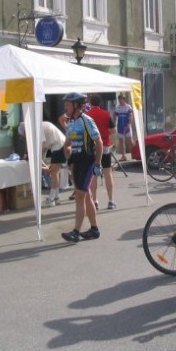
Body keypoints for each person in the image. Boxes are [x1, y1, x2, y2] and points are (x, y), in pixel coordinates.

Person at [61, 92, 103, 242]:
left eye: (68, 104)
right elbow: (68, 143)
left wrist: (97, 164)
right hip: (77, 163)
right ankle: (94, 229)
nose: (65, 106)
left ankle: (75, 232)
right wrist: (67, 153)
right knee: (86, 197)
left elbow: (99, 143)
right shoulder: (71, 122)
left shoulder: (87, 120)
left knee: (79, 197)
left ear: (77, 105)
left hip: (87, 162)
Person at [18, 120, 66, 207]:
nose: (26, 137)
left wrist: (35, 158)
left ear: (26, 130)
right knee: (56, 172)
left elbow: (41, 148)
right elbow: (40, 151)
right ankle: (56, 198)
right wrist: (45, 166)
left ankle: (51, 199)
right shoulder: (40, 125)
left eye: (24, 134)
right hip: (60, 144)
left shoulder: (38, 129)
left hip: (58, 146)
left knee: (54, 173)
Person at [86, 94, 117, 210]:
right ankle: (111, 201)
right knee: (108, 173)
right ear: (100, 103)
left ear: (90, 102)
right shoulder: (106, 114)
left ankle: (95, 201)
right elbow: (113, 130)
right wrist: (105, 133)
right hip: (105, 146)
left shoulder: (87, 116)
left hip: (92, 147)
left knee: (93, 174)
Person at [115, 94, 134, 161]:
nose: (120, 101)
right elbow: (115, 117)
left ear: (124, 99)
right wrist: (114, 125)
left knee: (130, 141)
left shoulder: (128, 107)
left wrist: (128, 125)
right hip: (120, 126)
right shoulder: (118, 107)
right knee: (121, 141)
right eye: (119, 100)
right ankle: (123, 156)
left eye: (121, 99)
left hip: (127, 126)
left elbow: (131, 117)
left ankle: (134, 154)